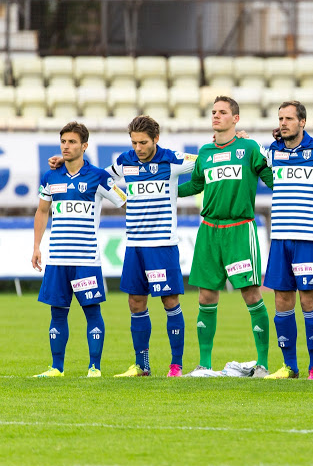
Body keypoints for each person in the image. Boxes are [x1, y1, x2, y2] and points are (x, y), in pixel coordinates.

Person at [51, 116, 196, 377]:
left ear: (156, 140)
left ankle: (176, 365)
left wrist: (235, 142)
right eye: (134, 142)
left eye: (143, 143)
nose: (138, 148)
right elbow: (95, 175)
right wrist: (67, 163)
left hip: (162, 244)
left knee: (169, 300)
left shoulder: (172, 160)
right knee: (135, 302)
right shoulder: (124, 161)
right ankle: (142, 365)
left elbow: (205, 160)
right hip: (134, 246)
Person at [177, 96, 274, 378]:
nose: (216, 116)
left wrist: (268, 158)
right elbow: (195, 184)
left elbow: (271, 178)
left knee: (250, 293)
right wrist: (164, 190)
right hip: (209, 230)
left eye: (222, 112)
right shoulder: (205, 152)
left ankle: (263, 365)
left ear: (236, 119)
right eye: (213, 112)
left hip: (239, 228)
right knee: (206, 296)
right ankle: (204, 365)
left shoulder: (249, 148)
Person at [32, 122, 127, 377]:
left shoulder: (98, 176)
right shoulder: (51, 176)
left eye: (72, 142)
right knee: (57, 312)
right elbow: (42, 211)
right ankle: (56, 368)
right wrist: (36, 247)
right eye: (63, 141)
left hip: (86, 259)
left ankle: (94, 367)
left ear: (84, 146)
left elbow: (124, 202)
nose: (66, 146)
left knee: (92, 311)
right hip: (57, 259)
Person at [262, 101, 313, 380]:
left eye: (289, 118)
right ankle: (289, 366)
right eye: (280, 118)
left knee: (308, 300)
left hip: (309, 238)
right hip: (280, 238)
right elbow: (248, 153)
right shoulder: (273, 150)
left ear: (302, 122)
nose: (283, 123)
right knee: (281, 300)